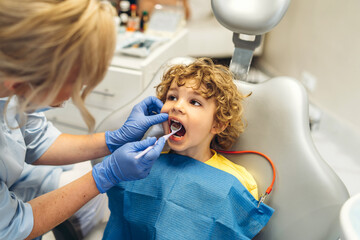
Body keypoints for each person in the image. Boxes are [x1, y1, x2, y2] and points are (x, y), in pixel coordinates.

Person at [0, 0, 168, 239]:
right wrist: (105, 175)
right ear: (29, 75)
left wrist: (114, 139)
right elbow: (12, 227)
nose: (78, 92)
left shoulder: (11, 78)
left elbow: (37, 141)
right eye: (77, 82)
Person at [103, 58, 274, 239]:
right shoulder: (141, 162)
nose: (177, 106)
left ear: (217, 124)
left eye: (195, 102)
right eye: (172, 97)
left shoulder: (237, 181)